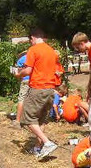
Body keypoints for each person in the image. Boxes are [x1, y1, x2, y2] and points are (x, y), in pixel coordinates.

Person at [16, 28, 60, 160]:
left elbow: (28, 71)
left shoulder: (33, 50)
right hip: (50, 89)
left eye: (30, 40)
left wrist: (19, 73)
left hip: (38, 88)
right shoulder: (51, 51)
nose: (31, 42)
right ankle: (37, 148)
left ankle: (47, 143)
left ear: (33, 37)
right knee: (41, 119)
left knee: (27, 118)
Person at [14, 52, 30, 126]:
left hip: (25, 80)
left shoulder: (21, 59)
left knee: (22, 99)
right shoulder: (35, 57)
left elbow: (16, 72)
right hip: (35, 81)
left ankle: (17, 121)